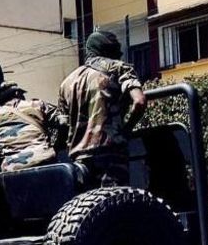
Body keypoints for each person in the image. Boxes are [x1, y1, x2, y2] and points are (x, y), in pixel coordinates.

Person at [58, 31, 146, 186]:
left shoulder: (67, 83)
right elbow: (139, 101)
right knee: (116, 201)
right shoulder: (118, 68)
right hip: (110, 157)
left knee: (89, 202)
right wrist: (126, 131)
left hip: (80, 163)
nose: (120, 55)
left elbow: (63, 126)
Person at [0, 82, 69, 172]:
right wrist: (56, 147)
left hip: (11, 169)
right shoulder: (36, 105)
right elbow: (64, 123)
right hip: (44, 160)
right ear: (17, 93)